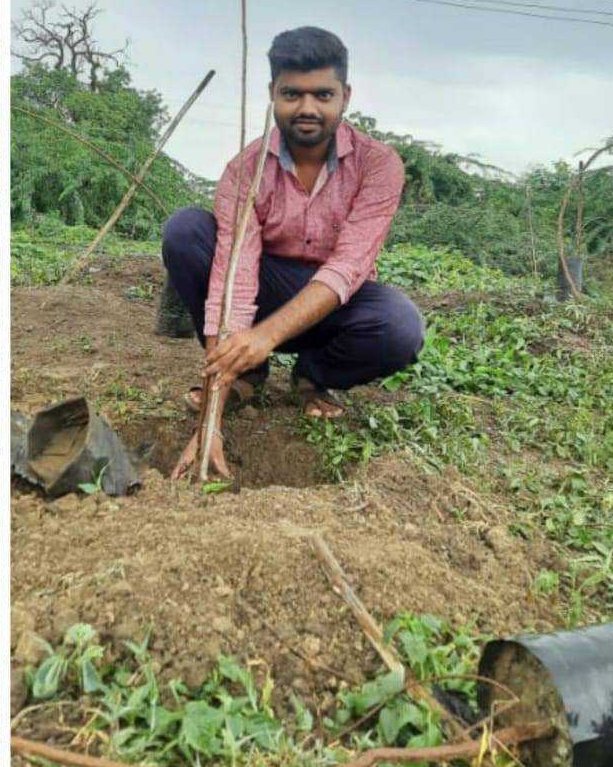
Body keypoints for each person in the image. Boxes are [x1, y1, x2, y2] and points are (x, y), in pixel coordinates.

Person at [162, 26, 425, 478]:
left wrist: (264, 339)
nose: (307, 108)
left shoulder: (378, 165)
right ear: (272, 94)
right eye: (292, 94)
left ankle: (313, 375)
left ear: (345, 95)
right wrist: (211, 425)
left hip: (334, 304)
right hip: (268, 288)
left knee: (400, 327)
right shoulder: (245, 169)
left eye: (322, 95)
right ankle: (244, 377)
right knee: (186, 230)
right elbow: (234, 278)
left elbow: (348, 268)